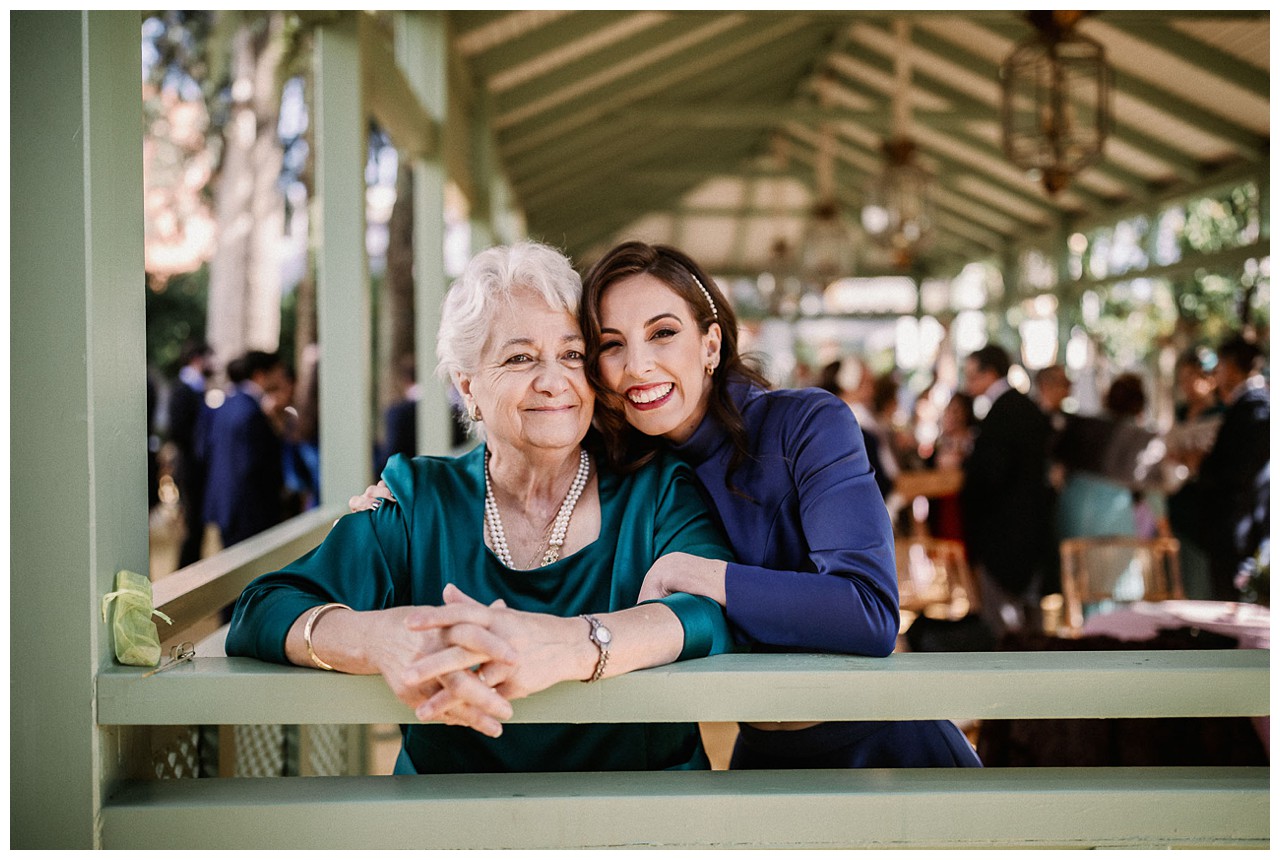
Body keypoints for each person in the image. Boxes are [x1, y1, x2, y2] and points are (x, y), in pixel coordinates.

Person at [228, 241, 735, 776]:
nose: (554, 380)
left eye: (572, 354)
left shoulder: (655, 490)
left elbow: (713, 610)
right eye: (520, 358)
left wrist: (574, 644)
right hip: (451, 824)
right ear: (467, 387)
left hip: (643, 821)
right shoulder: (419, 497)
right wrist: (379, 640)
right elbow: (261, 608)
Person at [579, 241, 979, 769]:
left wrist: (701, 574)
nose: (638, 365)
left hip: (889, 755)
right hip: (762, 760)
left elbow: (870, 613)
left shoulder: (808, 424)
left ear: (710, 343)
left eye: (663, 333)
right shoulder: (629, 478)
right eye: (612, 345)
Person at [959, 344, 1054, 636]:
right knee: (1031, 622)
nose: (968, 383)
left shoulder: (1002, 413)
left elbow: (990, 476)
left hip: (1004, 534)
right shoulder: (1026, 408)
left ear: (989, 373)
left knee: (1004, 626)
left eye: (971, 375)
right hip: (1031, 528)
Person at [1190, 334, 1269, 600]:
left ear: (1233, 367)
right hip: (1233, 528)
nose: (1216, 373)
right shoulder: (1247, 406)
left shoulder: (1256, 409)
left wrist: (1202, 467)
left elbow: (1242, 471)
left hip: (1237, 529)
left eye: (1220, 365)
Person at [200, 350, 289, 549]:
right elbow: (256, 463)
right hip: (249, 509)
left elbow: (207, 449)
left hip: (226, 504)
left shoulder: (227, 404)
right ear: (260, 375)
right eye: (277, 373)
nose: (281, 379)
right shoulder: (251, 413)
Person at [1162, 347, 1225, 598]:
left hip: (1204, 508)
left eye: (1192, 377)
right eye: (1183, 378)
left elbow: (1202, 459)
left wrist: (1189, 457)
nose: (1186, 384)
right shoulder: (1179, 413)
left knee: (1201, 577)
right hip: (1177, 503)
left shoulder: (1221, 416)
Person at [167, 339, 215, 566]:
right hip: (190, 467)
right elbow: (177, 430)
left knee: (198, 524)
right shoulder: (183, 390)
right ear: (198, 359)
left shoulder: (196, 388)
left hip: (196, 466)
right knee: (193, 524)